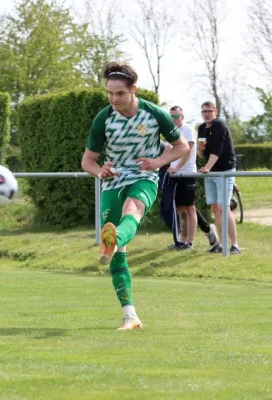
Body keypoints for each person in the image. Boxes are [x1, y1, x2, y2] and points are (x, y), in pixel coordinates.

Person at [81, 61, 189, 330]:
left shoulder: (154, 114)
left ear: (133, 90)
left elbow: (182, 147)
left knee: (133, 210)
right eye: (109, 93)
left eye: (119, 93)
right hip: (113, 182)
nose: (114, 99)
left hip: (144, 177)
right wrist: (100, 171)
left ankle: (115, 237)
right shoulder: (103, 118)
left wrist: (158, 161)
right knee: (117, 256)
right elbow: (88, 161)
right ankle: (130, 316)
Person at [163, 106, 218, 250]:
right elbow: (168, 150)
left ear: (182, 116)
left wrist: (177, 168)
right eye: (171, 117)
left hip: (187, 174)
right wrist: (157, 164)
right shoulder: (172, 132)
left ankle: (190, 242)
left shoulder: (187, 130)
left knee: (190, 208)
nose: (174, 119)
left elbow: (187, 151)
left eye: (176, 116)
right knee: (181, 209)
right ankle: (182, 240)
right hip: (176, 175)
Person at [197, 101, 240, 254]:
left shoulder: (219, 124)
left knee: (224, 206)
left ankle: (234, 245)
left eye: (209, 110)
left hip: (225, 170)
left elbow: (217, 150)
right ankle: (221, 245)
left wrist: (207, 167)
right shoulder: (202, 128)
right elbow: (202, 154)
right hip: (211, 172)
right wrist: (200, 151)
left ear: (215, 111)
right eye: (204, 111)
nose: (206, 114)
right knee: (215, 208)